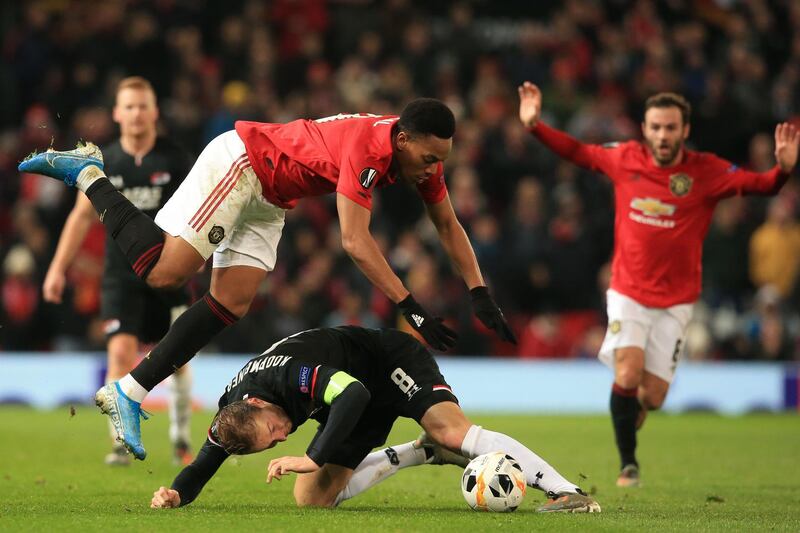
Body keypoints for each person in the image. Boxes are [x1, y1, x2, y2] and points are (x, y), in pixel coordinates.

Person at [19, 98, 516, 461]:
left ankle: (128, 390)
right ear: (404, 140)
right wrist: (413, 307)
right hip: (245, 162)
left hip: (272, 194)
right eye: (430, 158)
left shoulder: (414, 155)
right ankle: (88, 174)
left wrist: (479, 292)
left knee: (231, 303)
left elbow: (448, 225)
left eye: (442, 161)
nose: (435, 170)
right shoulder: (370, 148)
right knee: (164, 271)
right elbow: (354, 241)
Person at [517, 81, 799, 487]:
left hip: (677, 300)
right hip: (628, 291)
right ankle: (627, 464)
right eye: (655, 127)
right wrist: (535, 126)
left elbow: (761, 185)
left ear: (685, 130)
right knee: (627, 373)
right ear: (645, 129)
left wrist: (783, 169)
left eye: (670, 128)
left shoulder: (707, 171)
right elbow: (578, 152)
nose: (662, 135)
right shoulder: (625, 158)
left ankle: (635, 412)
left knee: (653, 396)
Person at [147, 326, 600, 513]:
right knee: (312, 501)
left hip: (385, 362)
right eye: (271, 443)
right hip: (346, 396)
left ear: (262, 405)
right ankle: (421, 452)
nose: (280, 436)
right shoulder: (235, 415)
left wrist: (311, 454)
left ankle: (568, 492)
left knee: (452, 430)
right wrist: (176, 493)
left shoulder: (290, 377)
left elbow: (354, 392)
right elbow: (204, 463)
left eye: (275, 430)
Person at [41, 77, 195, 466]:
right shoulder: (103, 161)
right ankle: (119, 443)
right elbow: (80, 218)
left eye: (143, 106)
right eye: (129, 106)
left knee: (176, 356)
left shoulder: (176, 159)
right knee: (120, 352)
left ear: (155, 112)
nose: (137, 114)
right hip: (120, 275)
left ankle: (180, 437)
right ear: (117, 113)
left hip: (169, 271)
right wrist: (56, 269)